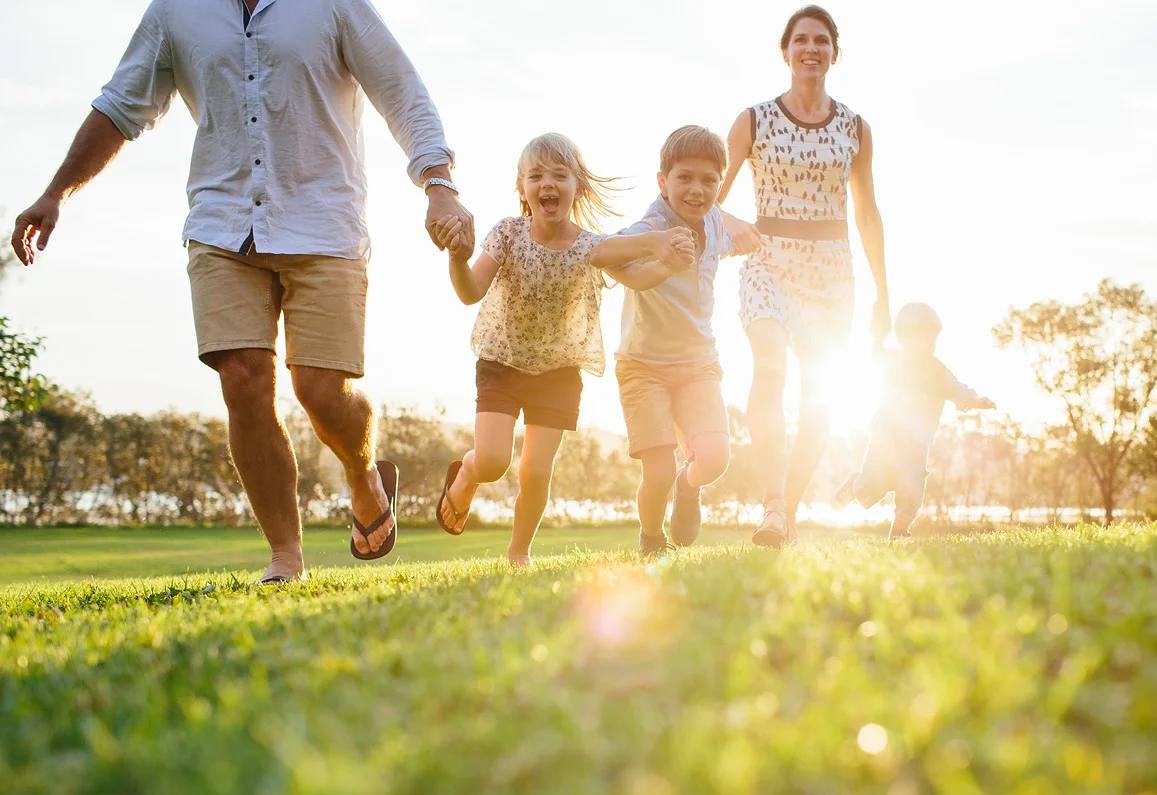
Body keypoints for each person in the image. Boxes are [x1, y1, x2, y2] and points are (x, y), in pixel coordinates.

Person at [9, 0, 474, 584]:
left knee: (321, 391)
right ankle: (286, 557)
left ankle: (362, 476)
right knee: (244, 379)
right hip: (222, 226)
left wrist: (438, 185)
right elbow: (119, 107)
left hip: (324, 225)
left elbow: (401, 91)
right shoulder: (176, 11)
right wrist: (57, 193)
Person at [432, 134, 694, 565]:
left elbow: (638, 274)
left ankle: (519, 554)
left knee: (535, 472)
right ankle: (465, 475)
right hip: (502, 363)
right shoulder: (507, 234)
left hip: (557, 372)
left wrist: (664, 259)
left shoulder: (590, 247)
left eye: (559, 175)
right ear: (523, 189)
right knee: (495, 461)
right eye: (536, 176)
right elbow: (469, 291)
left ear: (577, 187)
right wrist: (457, 258)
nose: (547, 184)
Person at [719, 4, 891, 548]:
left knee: (819, 401)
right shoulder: (752, 120)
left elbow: (867, 213)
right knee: (769, 367)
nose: (811, 48)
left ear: (834, 53)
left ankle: (783, 514)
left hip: (832, 275)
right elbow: (709, 199)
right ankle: (772, 502)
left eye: (821, 41)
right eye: (801, 40)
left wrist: (884, 293)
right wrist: (738, 227)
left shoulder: (856, 128)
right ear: (786, 51)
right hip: (768, 263)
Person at [613, 127, 749, 557]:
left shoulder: (714, 221)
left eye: (710, 180)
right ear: (662, 182)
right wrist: (653, 251)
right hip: (643, 366)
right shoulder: (651, 226)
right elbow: (609, 253)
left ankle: (687, 487)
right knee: (656, 471)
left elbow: (731, 234)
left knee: (714, 458)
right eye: (685, 178)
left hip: (698, 365)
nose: (697, 190)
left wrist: (753, 238)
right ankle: (652, 538)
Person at [833, 303, 995, 539]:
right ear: (904, 337)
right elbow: (874, 355)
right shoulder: (892, 361)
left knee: (912, 488)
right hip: (884, 441)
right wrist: (877, 335)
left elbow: (957, 388)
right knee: (872, 488)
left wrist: (975, 400)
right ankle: (857, 483)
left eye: (933, 338)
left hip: (916, 445)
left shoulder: (938, 372)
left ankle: (900, 530)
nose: (929, 343)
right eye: (922, 337)